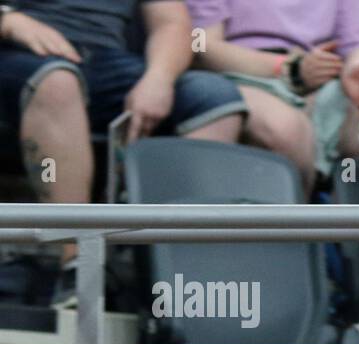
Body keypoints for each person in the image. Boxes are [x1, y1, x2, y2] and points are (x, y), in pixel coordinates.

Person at [0, 0, 246, 305]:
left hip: (107, 63)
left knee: (214, 98)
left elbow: (172, 23)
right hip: (15, 54)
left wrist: (158, 79)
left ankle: (175, 275)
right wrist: (9, 21)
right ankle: (77, 267)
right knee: (57, 81)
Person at [186, 0, 359, 195]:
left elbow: (358, 41)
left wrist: (358, 67)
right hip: (241, 75)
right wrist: (289, 67)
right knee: (286, 130)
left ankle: (353, 218)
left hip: (322, 77)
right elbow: (202, 45)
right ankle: (298, 217)